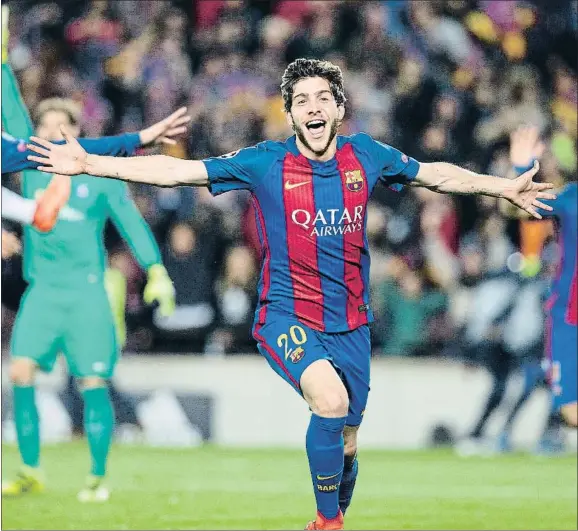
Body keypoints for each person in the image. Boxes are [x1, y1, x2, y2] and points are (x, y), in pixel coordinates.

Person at [27, 58, 555, 530]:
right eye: (301, 100)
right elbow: (178, 171)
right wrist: (94, 164)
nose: (313, 107)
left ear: (340, 108)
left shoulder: (365, 155)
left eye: (323, 97)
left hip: (351, 323)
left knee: (347, 440)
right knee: (329, 400)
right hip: (286, 316)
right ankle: (326, 522)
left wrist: (501, 185)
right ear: (290, 115)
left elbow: (433, 175)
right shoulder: (264, 162)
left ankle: (336, 508)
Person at [1, 59, 183, 502]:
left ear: (77, 133)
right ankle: (30, 469)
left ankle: (97, 476)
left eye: (62, 125)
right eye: (45, 126)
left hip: (87, 292)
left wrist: (155, 267)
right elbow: (10, 114)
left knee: (93, 383)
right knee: (20, 372)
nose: (52, 132)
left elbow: (130, 221)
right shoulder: (31, 170)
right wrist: (3, 62)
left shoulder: (97, 179)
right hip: (42, 291)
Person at [505, 126, 577, 428]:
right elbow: (523, 208)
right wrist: (522, 168)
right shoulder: (571, 198)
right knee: (571, 409)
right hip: (569, 316)